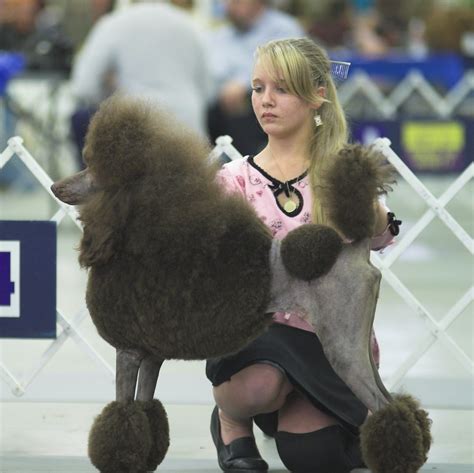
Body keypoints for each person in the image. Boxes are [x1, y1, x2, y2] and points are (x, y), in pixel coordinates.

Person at [206, 37, 399, 473]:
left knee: (313, 458)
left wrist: (361, 201)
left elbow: (384, 234)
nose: (265, 101)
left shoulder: (339, 173)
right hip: (256, 343)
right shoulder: (232, 181)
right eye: (257, 88)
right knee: (259, 385)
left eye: (281, 89)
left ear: (317, 96)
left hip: (330, 348)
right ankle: (230, 420)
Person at [69, 0, 212, 168]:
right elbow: (208, 89)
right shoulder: (190, 25)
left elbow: (84, 87)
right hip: (189, 129)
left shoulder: (114, 24)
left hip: (137, 129)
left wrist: (111, 93)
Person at [206, 0, 305, 156]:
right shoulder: (220, 35)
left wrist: (243, 84)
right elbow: (212, 73)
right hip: (222, 107)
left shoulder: (284, 28)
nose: (228, 6)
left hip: (264, 103)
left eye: (236, 1)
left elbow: (286, 71)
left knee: (248, 106)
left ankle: (251, 169)